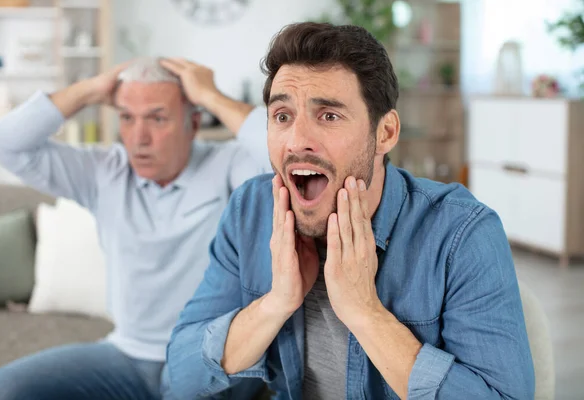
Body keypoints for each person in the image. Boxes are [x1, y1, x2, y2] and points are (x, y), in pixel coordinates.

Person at [166, 22, 535, 399]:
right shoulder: (250, 212)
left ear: (386, 133)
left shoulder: (462, 234)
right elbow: (178, 378)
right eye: (282, 116)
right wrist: (276, 304)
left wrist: (365, 314)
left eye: (329, 115)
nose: (297, 141)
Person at [0, 58, 270, 399]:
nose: (139, 138)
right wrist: (90, 89)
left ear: (193, 123)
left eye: (157, 118)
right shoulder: (106, 172)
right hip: (127, 355)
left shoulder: (228, 165)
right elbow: (2, 144)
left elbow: (282, 154)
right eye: (127, 118)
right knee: (0, 390)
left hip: (208, 355)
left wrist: (211, 96)